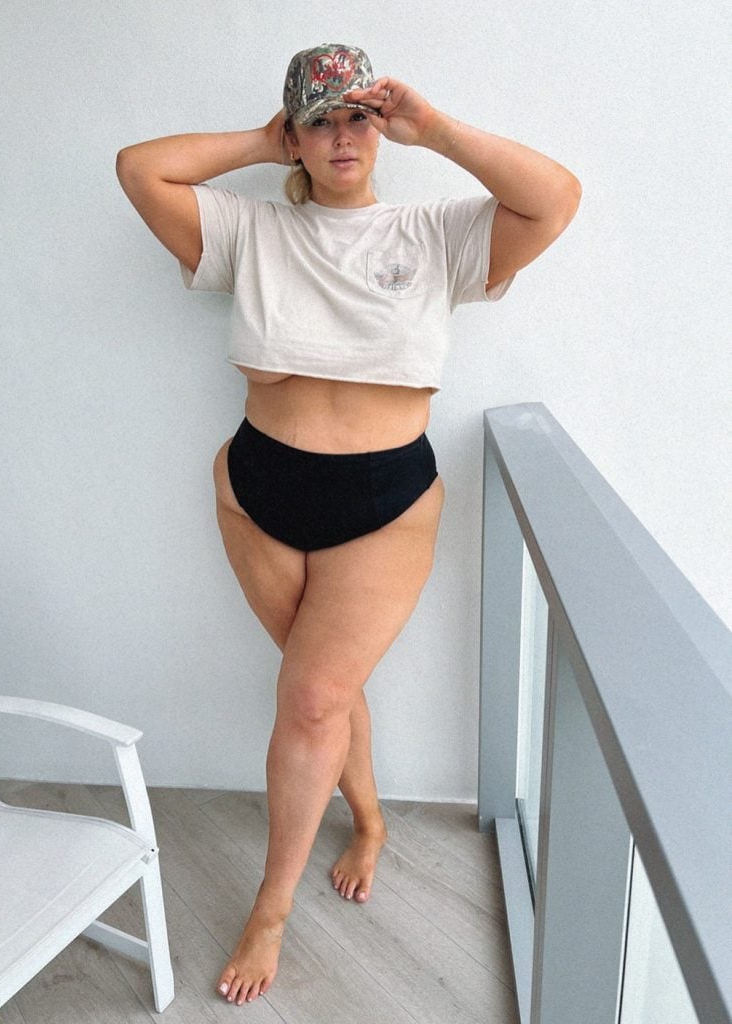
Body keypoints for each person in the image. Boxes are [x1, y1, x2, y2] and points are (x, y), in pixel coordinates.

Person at [116, 42, 581, 1007]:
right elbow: (139, 168)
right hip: (257, 487)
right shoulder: (249, 230)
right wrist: (264, 141)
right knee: (318, 695)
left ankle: (271, 908)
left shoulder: (437, 232)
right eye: (319, 121)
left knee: (314, 697)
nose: (341, 137)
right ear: (295, 135)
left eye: (357, 117)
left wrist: (435, 128)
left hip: (382, 502)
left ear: (382, 128)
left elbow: (554, 199)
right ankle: (367, 819)